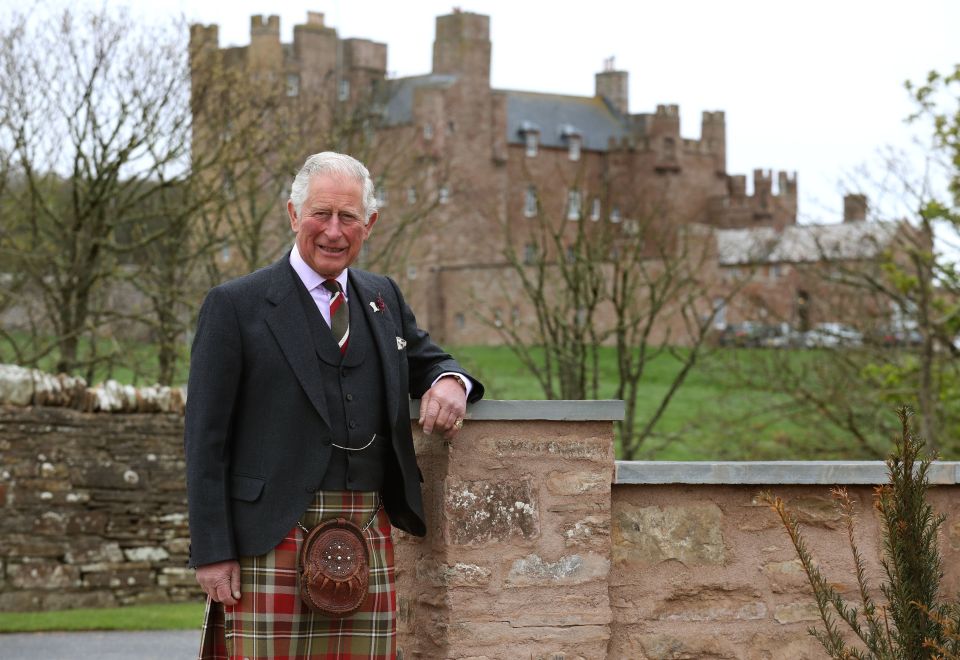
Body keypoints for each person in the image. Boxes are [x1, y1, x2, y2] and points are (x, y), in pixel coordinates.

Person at [184, 151, 483, 659]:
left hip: (365, 526)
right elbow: (204, 440)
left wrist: (452, 383)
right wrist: (213, 552)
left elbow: (431, 361)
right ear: (293, 214)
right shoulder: (237, 305)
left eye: (348, 217)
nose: (334, 231)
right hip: (267, 538)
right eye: (321, 213)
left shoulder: (381, 297)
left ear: (369, 223)